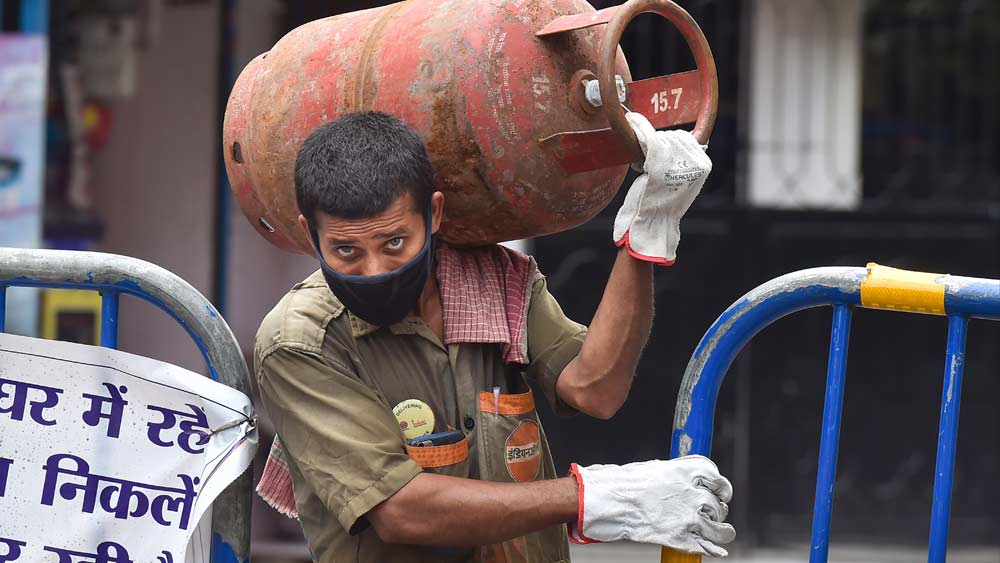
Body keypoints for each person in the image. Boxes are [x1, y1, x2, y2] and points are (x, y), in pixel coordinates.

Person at [254, 110, 735, 563]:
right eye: (345, 250)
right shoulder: (300, 342)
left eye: (395, 242)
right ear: (309, 234)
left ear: (434, 215)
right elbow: (401, 509)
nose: (374, 270)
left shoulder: (491, 280)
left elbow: (596, 389)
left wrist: (648, 231)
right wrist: (598, 498)